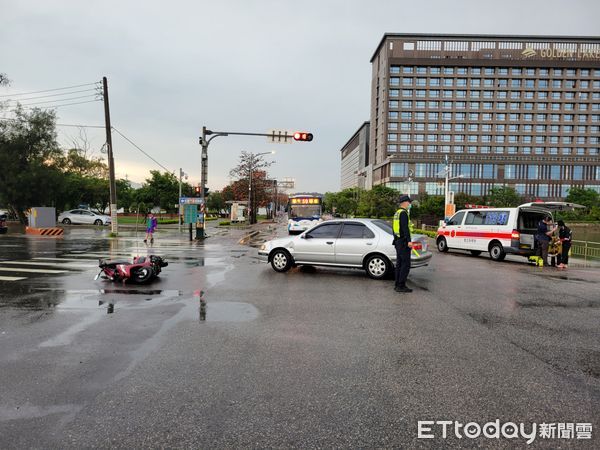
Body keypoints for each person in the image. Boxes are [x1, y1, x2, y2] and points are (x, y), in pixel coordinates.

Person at [392, 195, 413, 293]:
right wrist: (409, 241)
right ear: (405, 202)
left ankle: (397, 284)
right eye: (409, 202)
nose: (410, 204)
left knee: (399, 264)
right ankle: (401, 286)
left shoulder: (397, 213)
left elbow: (394, 229)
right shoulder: (403, 213)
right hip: (404, 242)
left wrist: (396, 240)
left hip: (398, 241)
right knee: (406, 264)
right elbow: (405, 228)